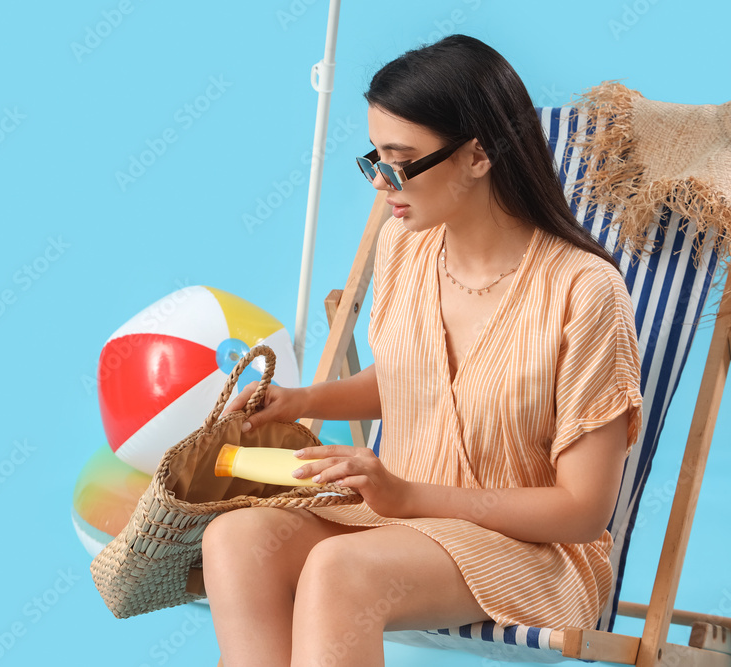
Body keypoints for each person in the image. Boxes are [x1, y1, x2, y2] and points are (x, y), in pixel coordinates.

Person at [201, 34, 643, 667]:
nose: (382, 183)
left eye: (400, 161)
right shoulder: (404, 249)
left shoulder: (584, 290)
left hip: (530, 550)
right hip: (401, 524)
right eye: (374, 158)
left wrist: (409, 496)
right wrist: (303, 399)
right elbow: (414, 376)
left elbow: (579, 511)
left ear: (479, 156)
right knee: (235, 539)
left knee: (338, 571)